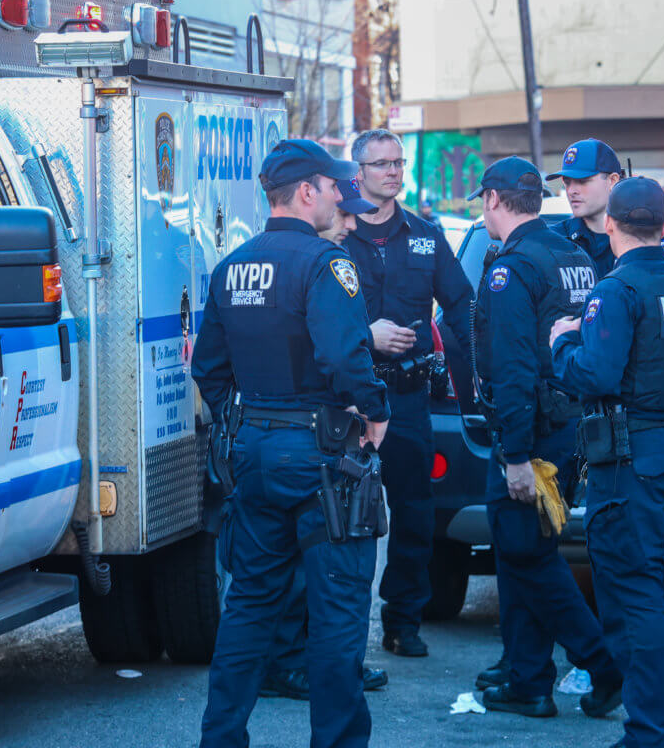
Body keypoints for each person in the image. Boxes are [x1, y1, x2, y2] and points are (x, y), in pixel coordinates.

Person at [193, 138, 390, 748]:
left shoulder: (233, 267)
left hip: (255, 454)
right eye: (334, 186)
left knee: (250, 606)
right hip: (323, 457)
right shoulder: (327, 265)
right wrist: (375, 411)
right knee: (337, 616)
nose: (340, 197)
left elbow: (208, 369)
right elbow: (343, 356)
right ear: (307, 192)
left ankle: (221, 738)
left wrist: (244, 424)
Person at [550, 177, 664, 748]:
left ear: (610, 225)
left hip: (631, 465)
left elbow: (594, 375)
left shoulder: (615, 291)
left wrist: (563, 341)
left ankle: (653, 734)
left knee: (635, 604)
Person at [468, 156, 624, 719]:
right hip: (566, 426)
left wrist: (514, 455)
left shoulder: (515, 267)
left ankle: (604, 664)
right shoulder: (572, 254)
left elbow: (510, 370)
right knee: (521, 554)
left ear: (492, 200)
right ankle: (529, 679)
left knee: (528, 556)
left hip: (530, 435)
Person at [259, 178, 389, 701]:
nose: (353, 224)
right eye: (347, 214)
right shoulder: (323, 267)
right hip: (318, 430)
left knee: (309, 557)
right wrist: (373, 404)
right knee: (321, 556)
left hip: (284, 434)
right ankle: (306, 665)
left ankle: (320, 661)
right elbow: (331, 352)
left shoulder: (323, 264)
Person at [348, 128, 474, 657]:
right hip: (349, 402)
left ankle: (402, 620)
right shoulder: (336, 234)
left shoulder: (425, 234)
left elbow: (462, 303)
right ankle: (342, 632)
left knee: (415, 513)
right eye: (381, 164)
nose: (394, 172)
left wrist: (472, 376)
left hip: (407, 398)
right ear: (358, 174)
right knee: (344, 517)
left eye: (398, 162)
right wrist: (364, 333)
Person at [546, 138, 624, 278]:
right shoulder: (553, 240)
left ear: (612, 181)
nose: (571, 191)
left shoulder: (635, 238)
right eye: (567, 182)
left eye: (583, 181)